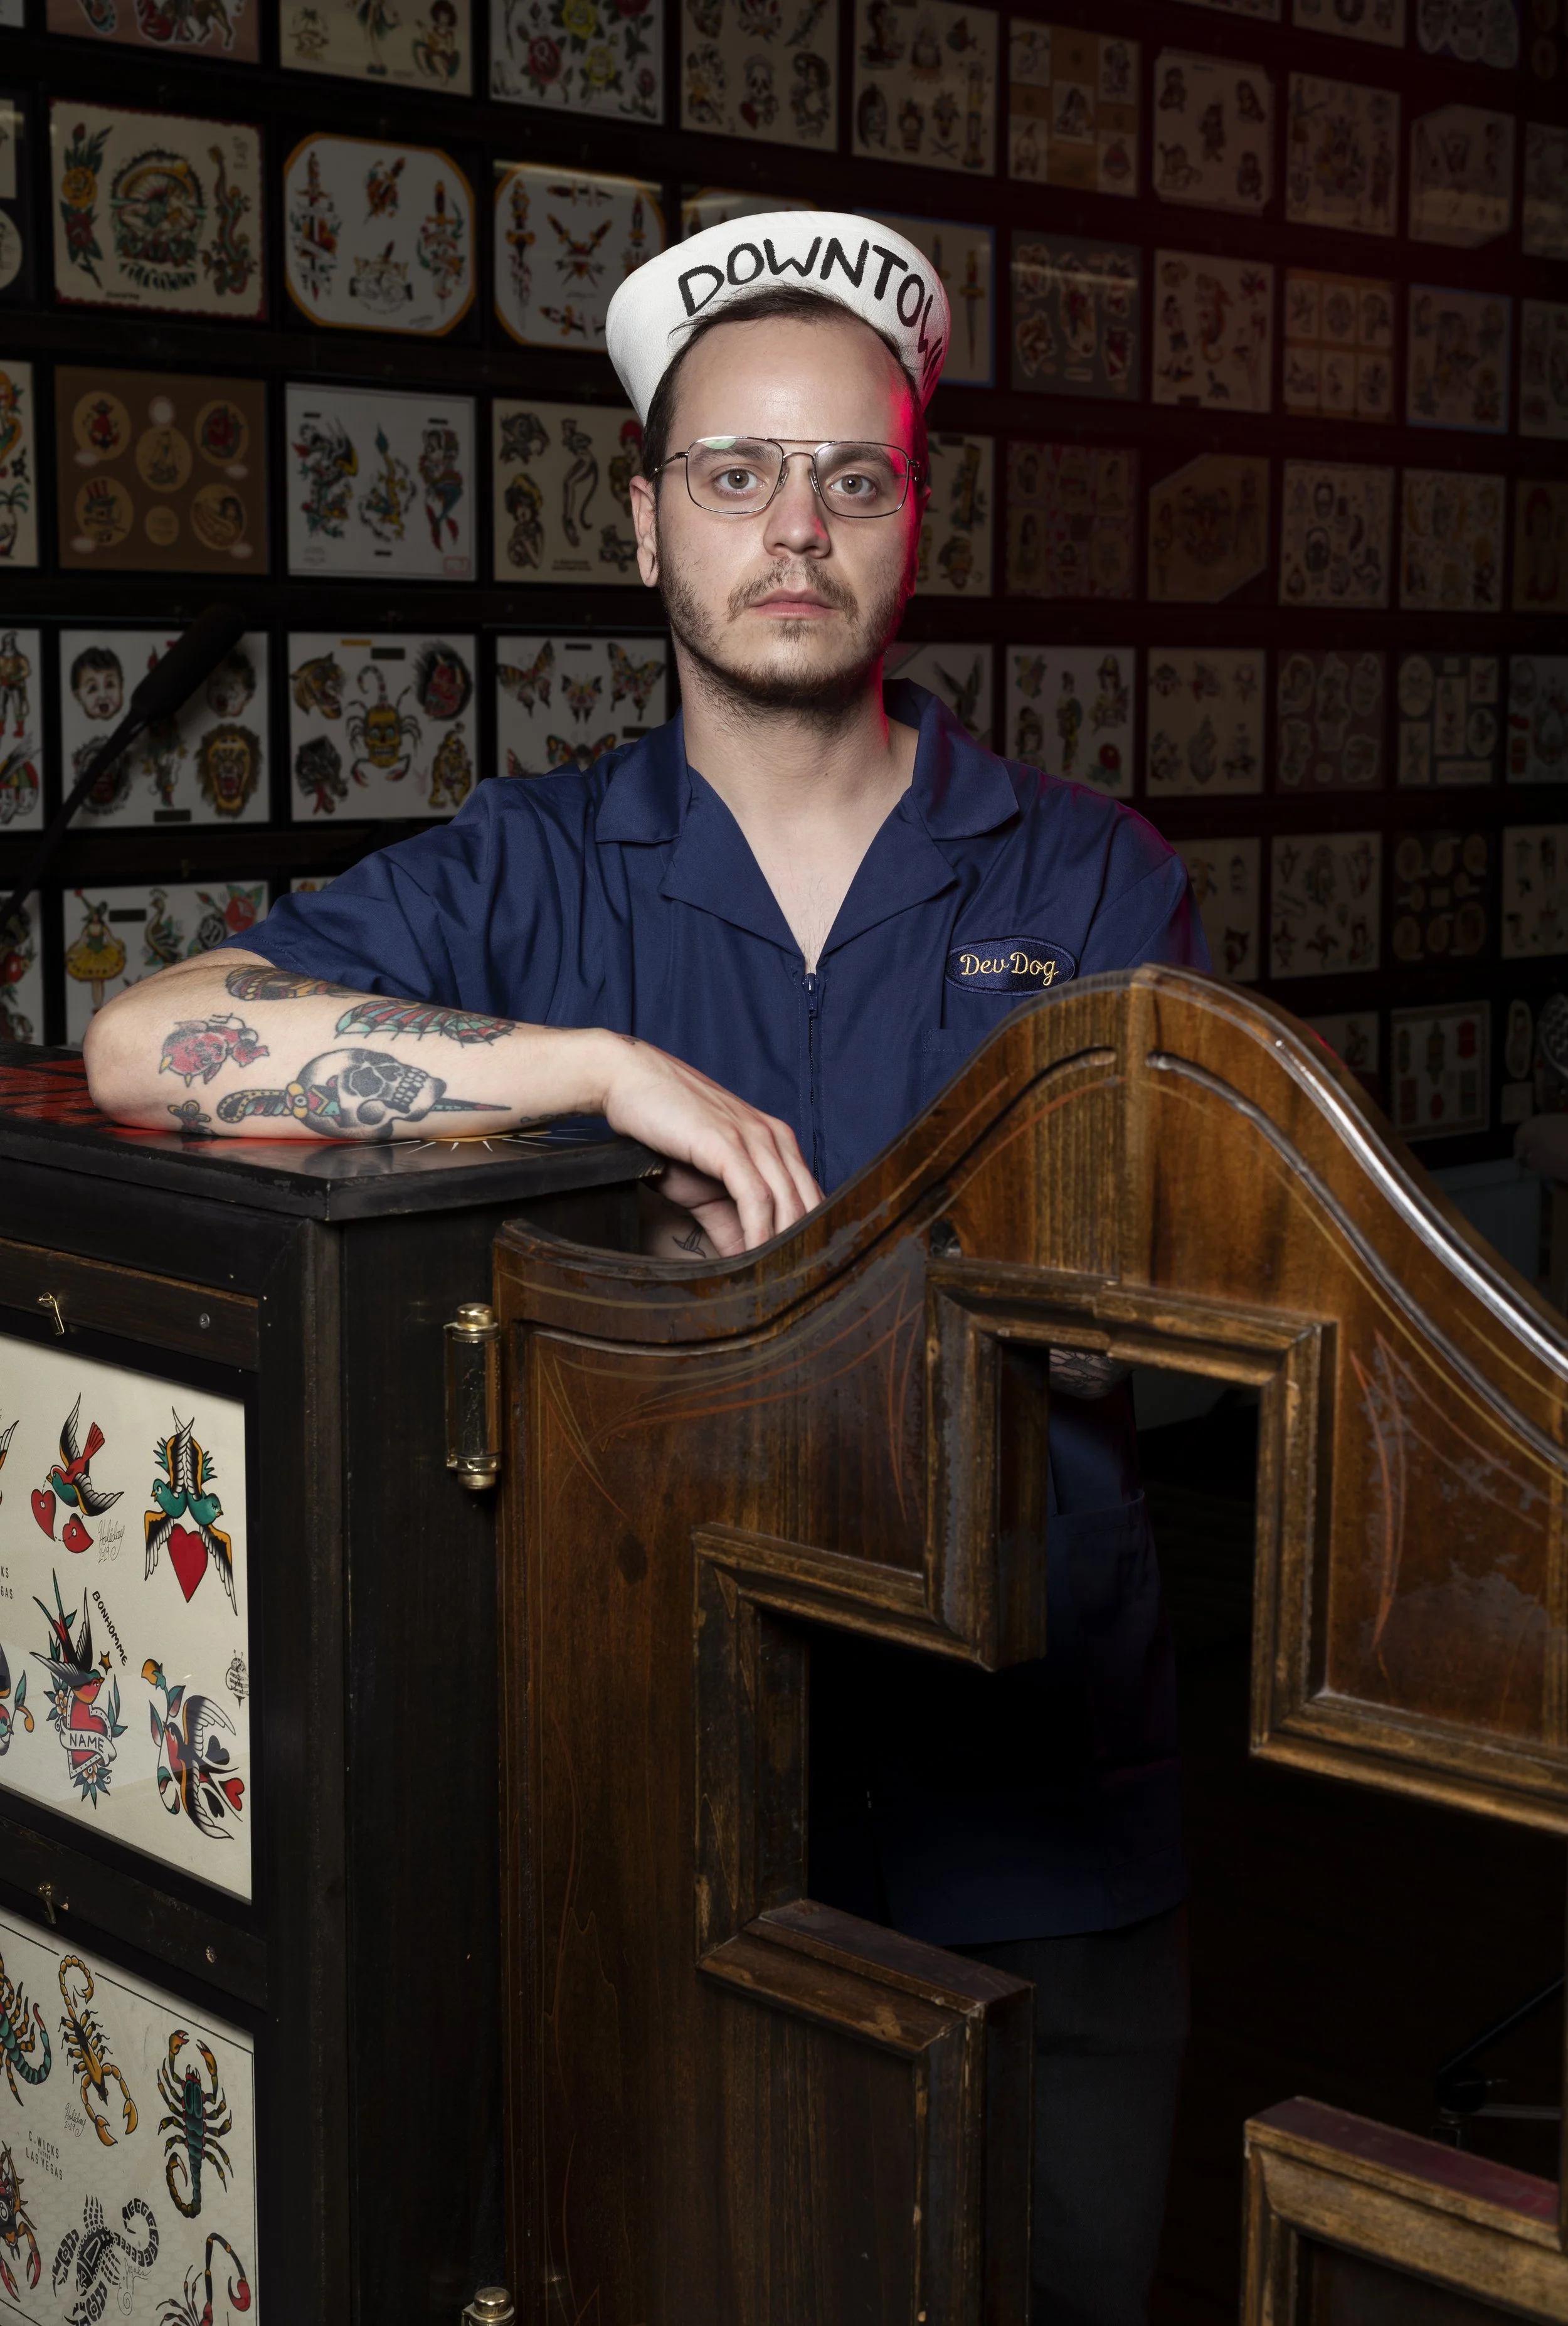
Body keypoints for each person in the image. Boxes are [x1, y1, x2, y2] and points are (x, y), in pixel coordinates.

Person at [85, 210, 1207, 2324]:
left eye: (848, 477)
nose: (793, 528)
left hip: (1038, 1839)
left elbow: (1165, 1325)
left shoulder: (1087, 874)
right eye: (732, 476)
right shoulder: (526, 870)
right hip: (652, 1821)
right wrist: (592, 1075)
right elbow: (149, 1042)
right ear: (644, 527)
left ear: (911, 518)